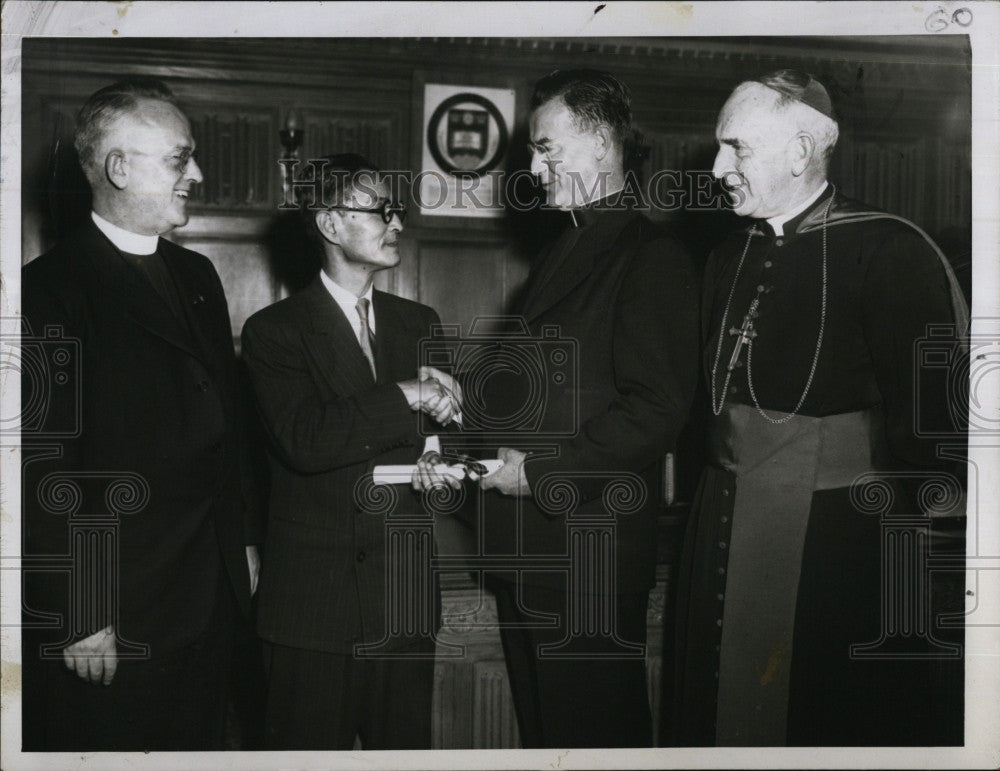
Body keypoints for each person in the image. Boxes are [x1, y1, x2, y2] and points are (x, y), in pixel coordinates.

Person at [667, 69, 967, 747]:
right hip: (717, 520)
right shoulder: (722, 256)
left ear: (800, 152)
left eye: (735, 148)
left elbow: (938, 438)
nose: (717, 168)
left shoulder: (890, 249)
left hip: (836, 551)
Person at [415, 69, 699, 748]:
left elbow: (657, 408)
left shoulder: (649, 254)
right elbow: (548, 395)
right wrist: (456, 406)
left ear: (602, 142)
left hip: (584, 560)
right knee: (552, 740)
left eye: (548, 149)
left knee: (596, 740)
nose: (535, 170)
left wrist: (539, 471)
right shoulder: (566, 245)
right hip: (535, 554)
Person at [20, 78, 262, 750]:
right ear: (119, 169)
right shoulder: (48, 290)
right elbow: (44, 469)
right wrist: (81, 611)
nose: (199, 175)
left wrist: (241, 542)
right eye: (182, 159)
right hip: (117, 610)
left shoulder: (198, 277)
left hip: (207, 595)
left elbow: (229, 424)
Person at [241, 154, 459, 750]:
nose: (397, 223)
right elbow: (306, 440)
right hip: (313, 611)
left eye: (397, 210)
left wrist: (444, 450)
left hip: (404, 604)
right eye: (380, 210)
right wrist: (408, 395)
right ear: (330, 224)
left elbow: (443, 441)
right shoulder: (274, 332)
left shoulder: (419, 321)